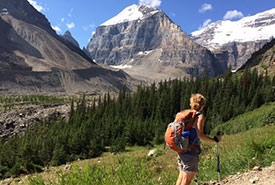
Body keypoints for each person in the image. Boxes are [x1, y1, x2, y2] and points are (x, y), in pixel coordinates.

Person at [176, 94, 221, 185]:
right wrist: (214, 140)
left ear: (191, 104)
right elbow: (200, 135)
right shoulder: (199, 117)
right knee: (187, 180)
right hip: (191, 150)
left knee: (181, 176)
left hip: (181, 148)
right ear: (203, 105)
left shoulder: (185, 114)